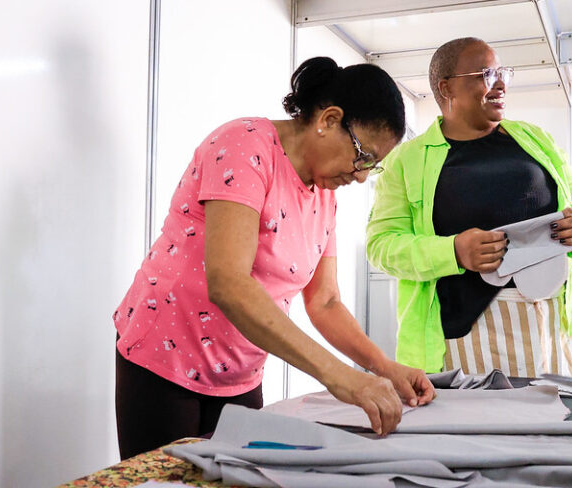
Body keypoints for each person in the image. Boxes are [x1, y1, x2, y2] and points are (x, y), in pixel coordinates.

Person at [113, 57, 435, 459]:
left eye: (373, 166)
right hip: (166, 355)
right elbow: (229, 283)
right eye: (362, 156)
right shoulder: (244, 146)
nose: (361, 176)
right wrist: (339, 376)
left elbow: (325, 301)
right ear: (329, 119)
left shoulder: (325, 197)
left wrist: (383, 368)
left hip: (240, 369)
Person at [367, 37, 572, 380]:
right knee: (480, 430)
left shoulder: (535, 140)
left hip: (551, 326)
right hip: (467, 337)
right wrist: (453, 251)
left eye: (502, 72)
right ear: (447, 88)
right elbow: (381, 246)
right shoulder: (407, 160)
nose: (501, 84)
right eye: (486, 74)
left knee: (562, 426)